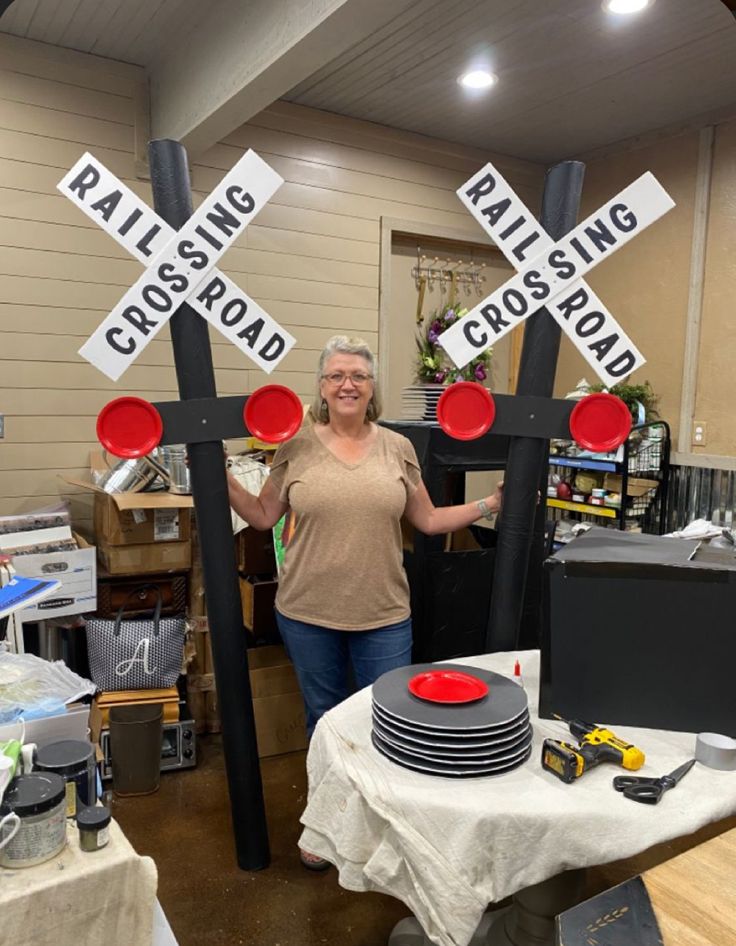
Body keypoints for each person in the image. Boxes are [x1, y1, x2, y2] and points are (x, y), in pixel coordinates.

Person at [227, 335, 502, 868]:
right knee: (325, 721)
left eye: (358, 375)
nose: (348, 383)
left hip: (383, 616)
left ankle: (380, 822)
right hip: (307, 612)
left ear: (371, 387)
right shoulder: (296, 446)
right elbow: (263, 516)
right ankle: (326, 824)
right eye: (336, 375)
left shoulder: (398, 447)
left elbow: (426, 520)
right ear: (322, 388)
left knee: (386, 722)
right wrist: (219, 477)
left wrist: (490, 503)